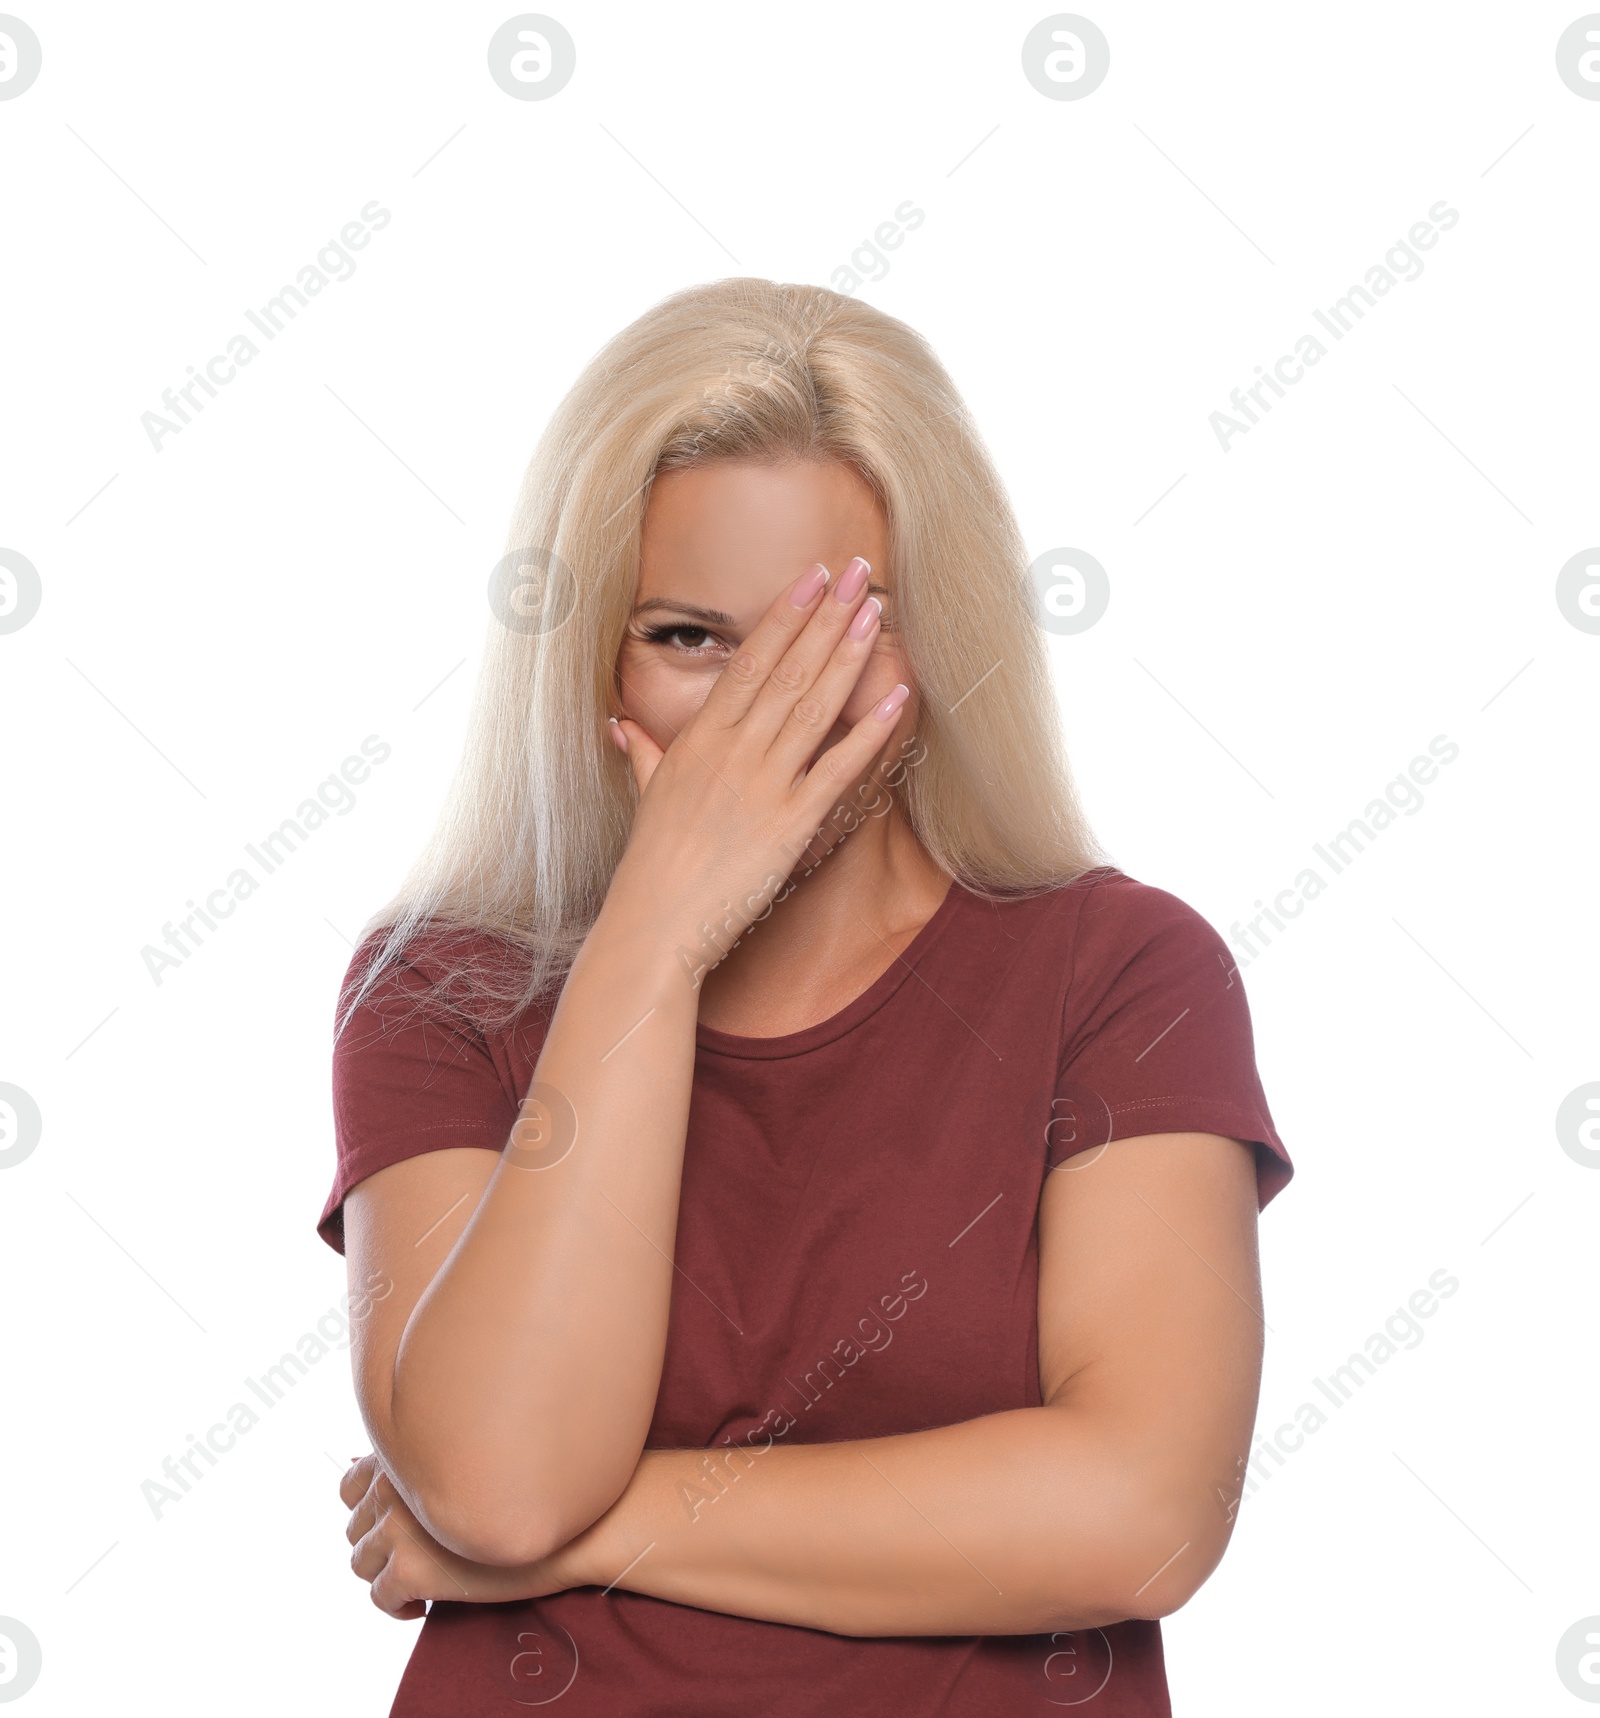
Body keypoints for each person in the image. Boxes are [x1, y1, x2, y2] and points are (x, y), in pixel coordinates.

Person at [320, 277, 1293, 1715]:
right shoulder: (442, 989)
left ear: (941, 641)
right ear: (590, 654)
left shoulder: (1124, 971)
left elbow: (1136, 1513)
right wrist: (653, 936)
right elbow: (506, 1479)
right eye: (691, 640)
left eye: (833, 631)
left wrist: (592, 1526)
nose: (769, 709)